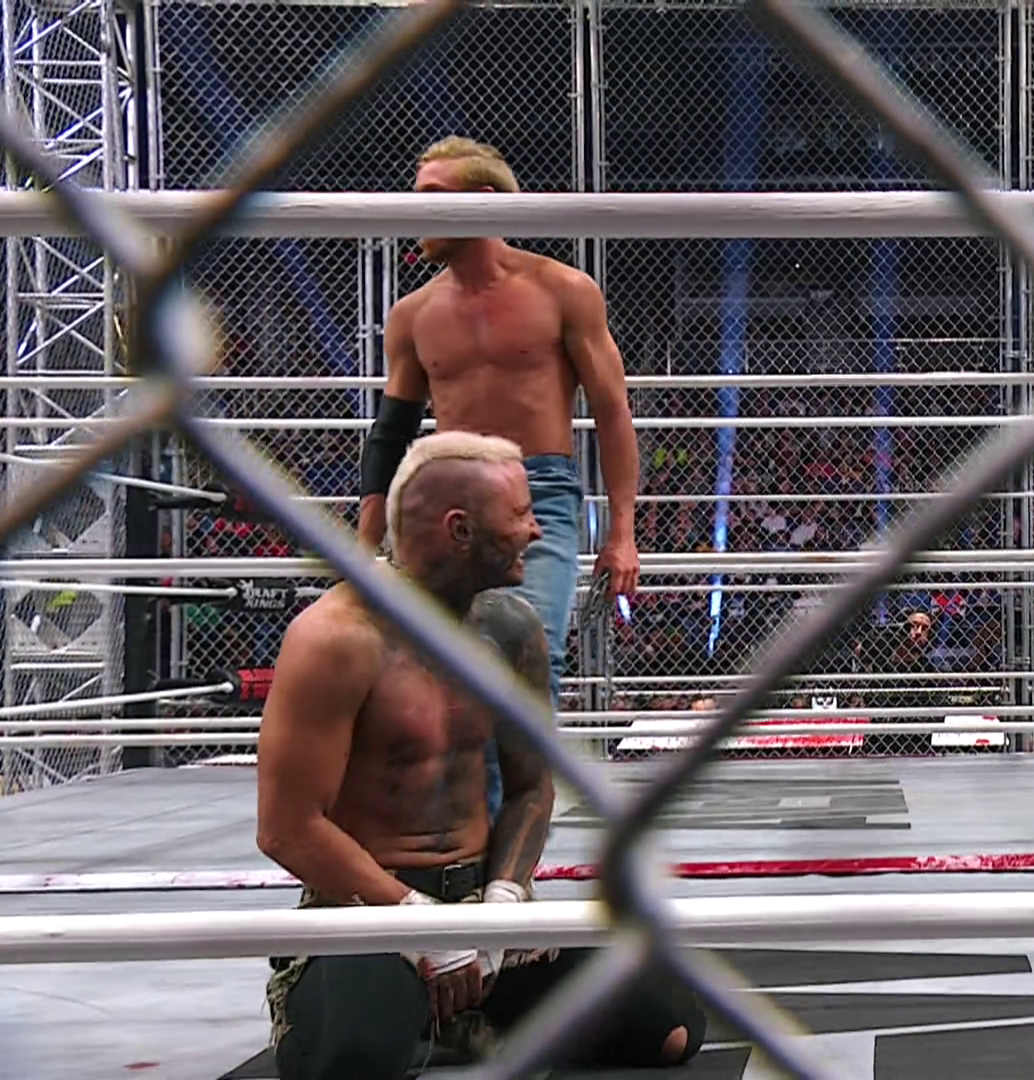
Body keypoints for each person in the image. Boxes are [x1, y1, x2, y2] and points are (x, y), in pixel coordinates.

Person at [260, 432, 703, 1078]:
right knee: (356, 1061)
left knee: (671, 1028)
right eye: (520, 513)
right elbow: (287, 827)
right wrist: (417, 924)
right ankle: (407, 1008)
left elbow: (530, 787)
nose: (536, 530)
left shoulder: (509, 630)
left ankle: (463, 1009)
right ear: (459, 530)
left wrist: (502, 903)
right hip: (367, 911)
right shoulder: (336, 638)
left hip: (479, 903)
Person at [356, 136, 642, 817]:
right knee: (446, 660)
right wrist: (361, 544)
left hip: (536, 490)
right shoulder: (413, 315)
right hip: (445, 495)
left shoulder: (561, 290)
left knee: (527, 646)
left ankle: (515, 827)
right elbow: (391, 432)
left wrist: (623, 530)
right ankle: (470, 827)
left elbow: (612, 411)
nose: (415, 212)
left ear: (483, 202)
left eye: (432, 197)